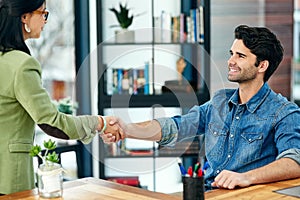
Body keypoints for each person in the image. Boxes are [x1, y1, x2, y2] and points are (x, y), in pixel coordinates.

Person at [101, 25, 300, 190]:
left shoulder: (284, 113)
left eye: (240, 56)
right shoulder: (219, 102)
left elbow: (295, 162)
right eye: (232, 54)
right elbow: (176, 127)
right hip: (207, 194)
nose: (230, 61)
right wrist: (127, 129)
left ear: (262, 66)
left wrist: (246, 177)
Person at [0, 0, 120, 195]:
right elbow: (52, 123)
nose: (45, 20)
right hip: (8, 179)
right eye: (43, 13)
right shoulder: (22, 65)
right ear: (24, 17)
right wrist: (99, 122)